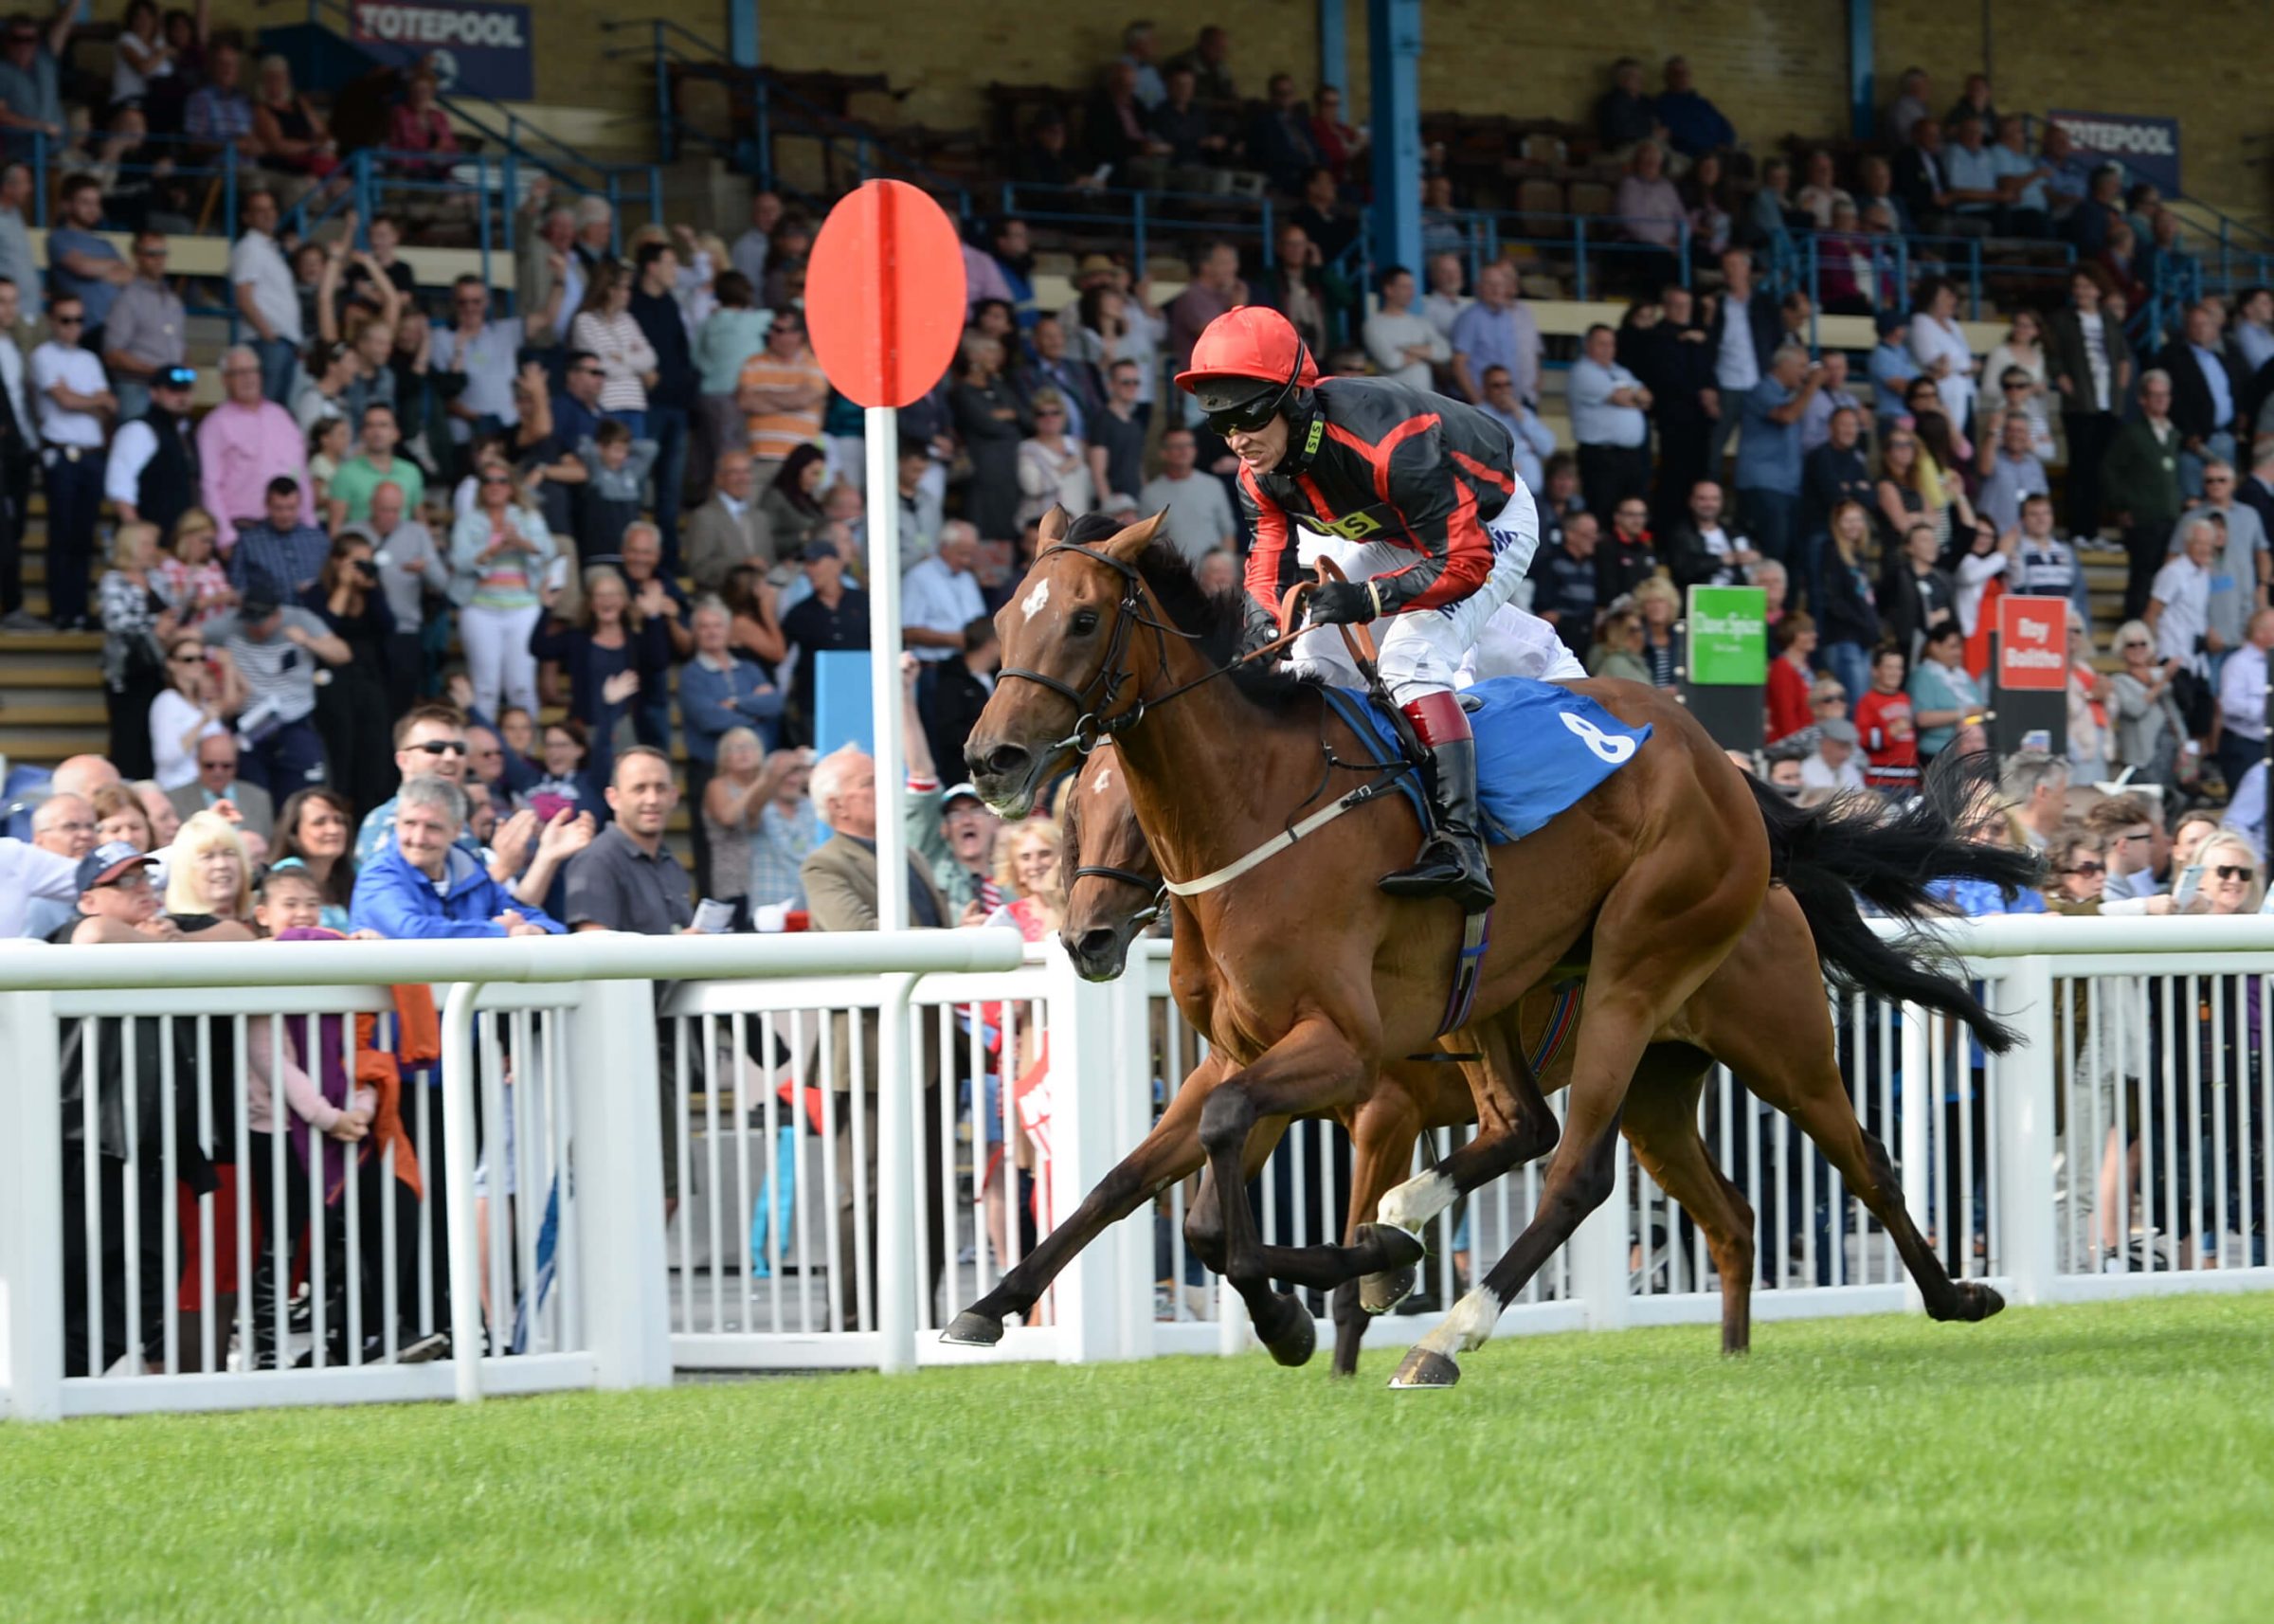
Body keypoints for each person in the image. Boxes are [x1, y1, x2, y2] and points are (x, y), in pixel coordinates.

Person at [1178, 303, 1550, 909]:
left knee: (1409, 657)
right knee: (1313, 651)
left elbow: (1463, 562)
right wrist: (1259, 622)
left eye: (1248, 415)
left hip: (1486, 527)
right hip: (1393, 531)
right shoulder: (1260, 471)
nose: (1237, 438)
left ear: (1296, 399)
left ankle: (1461, 845)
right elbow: (1269, 549)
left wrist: (1368, 597)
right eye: (1220, 423)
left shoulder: (1389, 447)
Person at [799, 744, 949, 1329]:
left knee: (933, 1190)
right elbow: (860, 938)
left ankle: (922, 1315)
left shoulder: (908, 855)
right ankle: (856, 1319)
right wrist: (951, 944)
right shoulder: (824, 865)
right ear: (836, 805)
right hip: (865, 1055)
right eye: (868, 782)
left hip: (930, 1050)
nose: (882, 787)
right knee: (866, 1191)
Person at [351, 776, 563, 939]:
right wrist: (498, 930)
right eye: (409, 824)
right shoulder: (379, 875)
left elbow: (533, 918)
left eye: (432, 827)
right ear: (396, 824)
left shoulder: (470, 871)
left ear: (456, 829)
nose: (418, 838)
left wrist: (536, 930)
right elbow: (413, 933)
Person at [199, 581, 347, 796]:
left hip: (294, 723)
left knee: (305, 795)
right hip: (249, 729)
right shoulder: (231, 624)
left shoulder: (300, 619)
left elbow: (343, 654)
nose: (254, 628)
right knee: (254, 797)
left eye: (260, 622)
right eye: (249, 621)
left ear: (277, 614)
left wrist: (308, 641)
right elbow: (187, 638)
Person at [31, 293, 112, 631]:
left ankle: (79, 609)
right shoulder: (42, 356)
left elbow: (111, 405)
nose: (73, 327)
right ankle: (61, 610)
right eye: (66, 320)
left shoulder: (90, 359)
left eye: (79, 320)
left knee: (83, 536)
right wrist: (93, 400)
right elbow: (63, 401)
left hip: (92, 455)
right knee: (62, 533)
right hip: (62, 453)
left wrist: (87, 401)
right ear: (52, 322)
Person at [450, 461, 554, 723]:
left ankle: (525, 754)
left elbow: (548, 551)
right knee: (485, 688)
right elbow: (459, 561)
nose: (495, 486)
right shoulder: (469, 520)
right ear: (481, 488)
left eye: (502, 480)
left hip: (523, 609)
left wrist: (521, 542)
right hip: (480, 610)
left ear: (512, 487)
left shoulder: (528, 517)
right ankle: (483, 754)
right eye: (488, 481)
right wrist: (493, 549)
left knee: (522, 686)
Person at [2048, 266, 2133, 543]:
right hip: (2079, 404)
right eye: (2078, 286)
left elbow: (2121, 352)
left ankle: (2093, 530)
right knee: (2080, 467)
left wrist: (2122, 378)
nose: (2082, 292)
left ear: (2098, 290)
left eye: (2087, 286)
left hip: (2108, 404)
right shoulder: (2063, 319)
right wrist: (2062, 378)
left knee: (2099, 469)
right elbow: (2054, 354)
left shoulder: (2108, 318)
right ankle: (2077, 529)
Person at [197, 345, 309, 553]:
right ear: (224, 380)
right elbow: (210, 485)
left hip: (291, 528)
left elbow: (300, 473)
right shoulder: (215, 424)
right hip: (244, 530)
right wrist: (224, 536)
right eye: (239, 373)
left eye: (253, 371)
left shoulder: (282, 417)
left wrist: (308, 522)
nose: (248, 378)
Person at [95, 520, 176, 777]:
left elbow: (172, 613)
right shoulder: (113, 580)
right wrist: (155, 625)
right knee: (127, 737)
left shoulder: (157, 579)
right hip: (128, 672)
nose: (153, 549)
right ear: (130, 546)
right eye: (147, 543)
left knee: (153, 737)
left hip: (158, 669)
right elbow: (116, 621)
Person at [2103, 369, 2186, 622]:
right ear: (2142, 399)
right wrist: (2121, 506)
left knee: (2167, 577)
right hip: (2142, 518)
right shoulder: (2132, 433)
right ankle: (2135, 628)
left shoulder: (2173, 433)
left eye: (2165, 395)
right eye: (2155, 395)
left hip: (2170, 516)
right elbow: (2109, 470)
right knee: (2142, 577)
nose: (2161, 400)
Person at [1733, 343, 1824, 573]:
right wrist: (1812, 385)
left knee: (1790, 557)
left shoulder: (1790, 395)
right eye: (1802, 366)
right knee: (1771, 555)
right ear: (1784, 364)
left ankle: (1784, 609)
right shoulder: (1762, 390)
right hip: (1763, 485)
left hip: (1787, 488)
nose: (1805, 373)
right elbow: (1787, 416)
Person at [778, 540, 870, 746]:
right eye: (807, 564)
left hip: (864, 699)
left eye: (814, 563)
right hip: (816, 703)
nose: (809, 570)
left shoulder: (865, 603)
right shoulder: (799, 612)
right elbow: (778, 653)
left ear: (836, 564)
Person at [1567, 322, 1652, 522]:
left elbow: (1647, 398)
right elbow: (1621, 398)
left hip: (1629, 456)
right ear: (1588, 345)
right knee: (1603, 510)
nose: (1607, 349)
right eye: (1601, 344)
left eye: (1611, 344)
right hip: (1601, 456)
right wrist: (1634, 397)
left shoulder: (1620, 371)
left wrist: (1633, 397)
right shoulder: (1583, 371)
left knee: (1632, 510)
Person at [734, 308, 826, 480]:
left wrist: (763, 396)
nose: (772, 334)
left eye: (779, 330)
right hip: (760, 456)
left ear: (798, 335)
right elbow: (745, 401)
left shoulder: (814, 365)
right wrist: (791, 399)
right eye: (772, 328)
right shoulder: (753, 362)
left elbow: (805, 398)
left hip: (800, 461)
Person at [2108, 618, 2191, 791]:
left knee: (2175, 804)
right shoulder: (2118, 681)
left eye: (2142, 644)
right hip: (2143, 760)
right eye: (2131, 645)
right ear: (2122, 650)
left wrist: (2186, 746)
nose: (2138, 649)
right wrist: (2162, 682)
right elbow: (2135, 709)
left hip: (2172, 754)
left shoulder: (2159, 675)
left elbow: (2174, 714)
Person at [148, 629, 235, 792]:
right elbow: (166, 757)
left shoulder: (203, 704)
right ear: (171, 664)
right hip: (177, 790)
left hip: (207, 791)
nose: (197, 664)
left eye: (202, 658)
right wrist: (202, 723)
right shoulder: (167, 700)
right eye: (188, 659)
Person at [1448, 262, 1541, 407]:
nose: (1496, 289)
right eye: (1490, 284)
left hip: (1507, 402)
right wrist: (1478, 402)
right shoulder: (1470, 318)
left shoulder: (1507, 317)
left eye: (1500, 284)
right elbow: (1458, 364)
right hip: (1478, 404)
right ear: (1478, 288)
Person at [1138, 426, 1236, 564]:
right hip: (1172, 577)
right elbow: (1144, 541)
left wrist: (1226, 566)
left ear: (1195, 450)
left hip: (1211, 578)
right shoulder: (1150, 493)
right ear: (1163, 453)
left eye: (1188, 445)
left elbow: (1228, 531)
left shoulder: (1213, 485)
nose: (1184, 451)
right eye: (1177, 446)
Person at [685, 448, 772, 595]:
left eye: (746, 472)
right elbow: (698, 570)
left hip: (758, 601)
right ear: (719, 478)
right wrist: (741, 564)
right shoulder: (704, 516)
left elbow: (770, 564)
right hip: (719, 601)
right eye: (735, 472)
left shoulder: (760, 518)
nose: (742, 478)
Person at [271, 785, 357, 930]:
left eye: (339, 821)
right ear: (294, 834)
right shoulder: (285, 874)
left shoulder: (353, 872)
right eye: (319, 822)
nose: (333, 830)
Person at [903, 522, 987, 664]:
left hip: (967, 666)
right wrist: (957, 640)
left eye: (970, 555)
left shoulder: (967, 578)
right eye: (962, 554)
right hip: (933, 668)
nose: (966, 561)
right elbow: (908, 631)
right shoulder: (919, 577)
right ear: (944, 547)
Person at [1906, 621, 1985, 764]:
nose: (1959, 653)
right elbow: (1922, 718)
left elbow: (1981, 709)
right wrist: (1963, 713)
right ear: (1935, 647)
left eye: (1960, 648)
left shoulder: (1963, 676)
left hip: (1973, 752)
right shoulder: (1923, 675)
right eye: (1953, 647)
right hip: (1938, 753)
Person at [2214, 607, 2274, 790]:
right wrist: (2266, 705)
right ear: (2259, 633)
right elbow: (2230, 705)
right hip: (2246, 748)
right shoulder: (2238, 663)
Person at [1363, 264, 1448, 392]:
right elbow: (1391, 362)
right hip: (1393, 401)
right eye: (1405, 287)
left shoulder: (1420, 322)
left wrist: (1405, 348)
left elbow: (1445, 351)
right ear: (1389, 290)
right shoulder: (1373, 324)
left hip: (1425, 399)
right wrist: (1426, 354)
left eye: (1411, 287)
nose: (1411, 292)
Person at [1854, 646, 1919, 794]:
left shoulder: (1906, 699)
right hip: (1881, 780)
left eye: (1899, 668)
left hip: (1908, 779)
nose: (1895, 673)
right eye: (1889, 667)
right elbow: (1861, 739)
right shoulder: (1867, 701)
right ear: (1875, 671)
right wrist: (1889, 733)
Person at [1765, 612, 1817, 743]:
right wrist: (1795, 743)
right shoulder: (1781, 669)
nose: (1814, 635)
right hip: (1791, 743)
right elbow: (1785, 713)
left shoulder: (1805, 667)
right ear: (1792, 635)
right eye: (1806, 632)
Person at [1800, 717, 1866, 794]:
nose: (1846, 754)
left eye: (1849, 748)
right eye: (1841, 747)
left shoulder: (1850, 770)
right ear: (1825, 744)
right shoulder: (1804, 770)